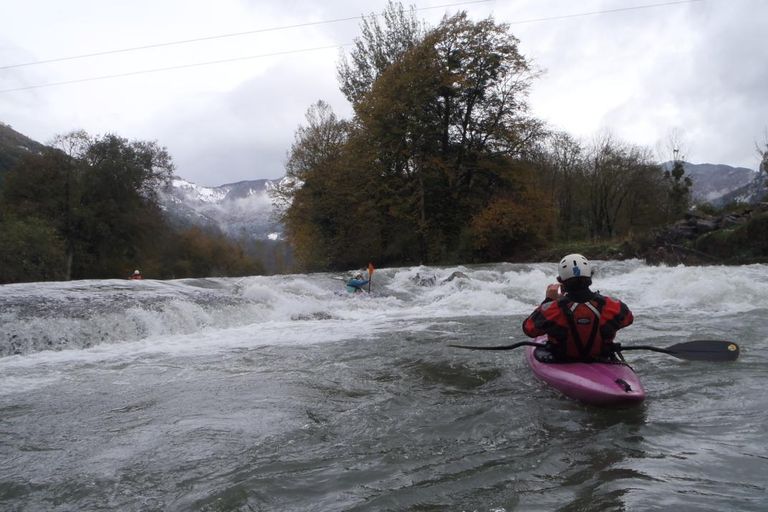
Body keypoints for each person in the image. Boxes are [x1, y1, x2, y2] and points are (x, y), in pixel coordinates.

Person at [522, 253, 633, 362]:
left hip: (562, 359)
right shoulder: (613, 306)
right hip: (602, 357)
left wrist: (549, 300)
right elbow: (628, 319)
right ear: (590, 276)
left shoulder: (552, 309)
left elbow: (529, 329)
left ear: (561, 281)